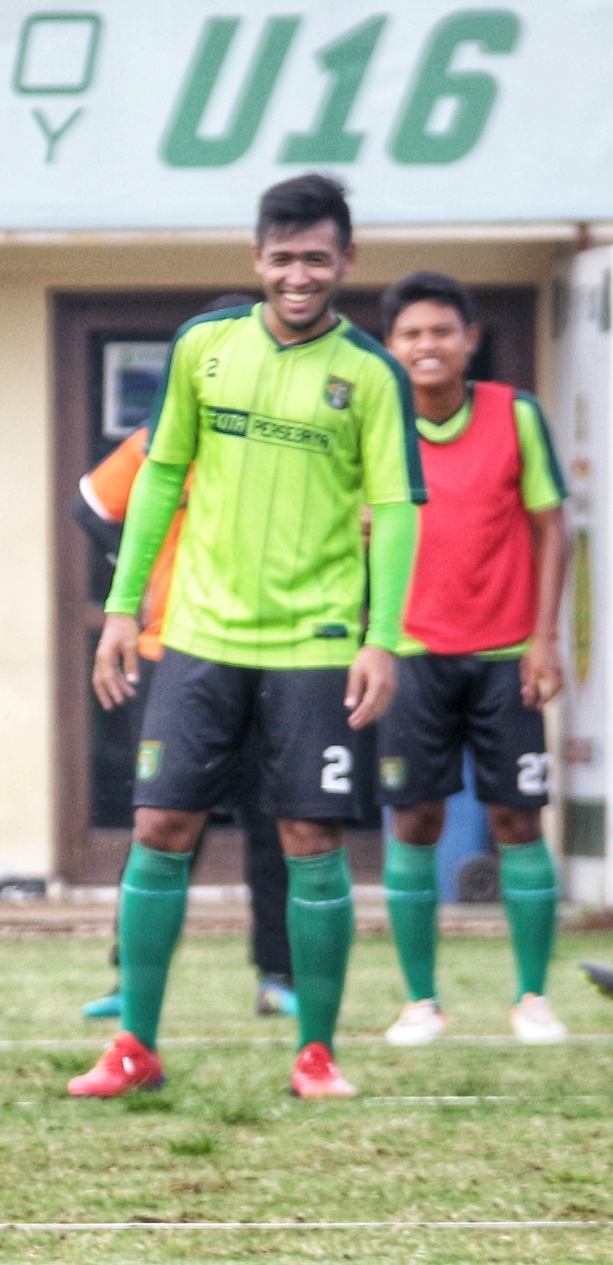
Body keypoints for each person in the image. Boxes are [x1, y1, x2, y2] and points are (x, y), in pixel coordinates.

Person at [73, 173, 423, 1102]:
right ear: (255, 258)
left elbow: (395, 512)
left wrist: (381, 638)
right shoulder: (204, 347)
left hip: (314, 646)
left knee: (311, 835)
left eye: (317, 257)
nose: (298, 274)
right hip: (197, 636)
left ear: (344, 261)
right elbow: (158, 476)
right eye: (283, 257)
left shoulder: (375, 375)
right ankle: (133, 1046)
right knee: (161, 826)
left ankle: (316, 1051)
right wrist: (120, 610)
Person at [74, 304, 297, 1023]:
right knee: (168, 823)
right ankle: (129, 977)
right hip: (172, 650)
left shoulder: (282, 441)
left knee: (275, 819)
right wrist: (130, 593)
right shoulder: (156, 441)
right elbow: (89, 507)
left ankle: (279, 975)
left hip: (273, 649)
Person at [375, 271, 570, 1046]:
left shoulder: (515, 413)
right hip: (411, 654)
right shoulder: (377, 424)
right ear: (391, 348)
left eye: (440, 331)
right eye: (411, 334)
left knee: (517, 817)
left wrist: (546, 637)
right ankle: (421, 1001)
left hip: (505, 655)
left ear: (469, 339)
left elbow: (555, 527)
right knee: (414, 818)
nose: (427, 345)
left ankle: (533, 997)